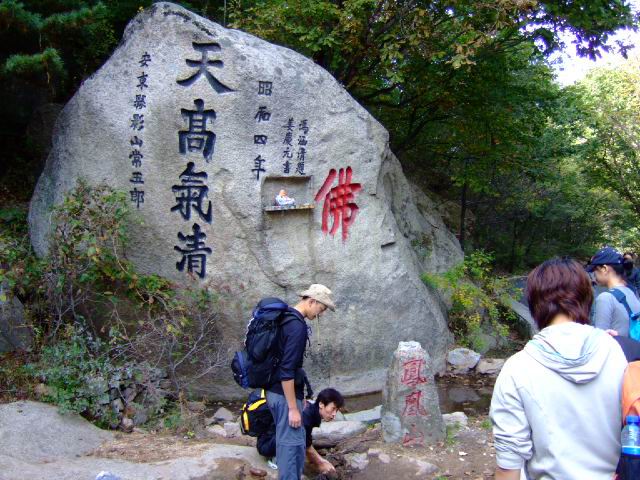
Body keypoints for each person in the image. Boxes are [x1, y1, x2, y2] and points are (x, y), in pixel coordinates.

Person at [490, 257, 627, 479]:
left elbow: (508, 466)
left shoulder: (517, 367)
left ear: (534, 304)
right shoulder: (620, 353)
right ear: (587, 297)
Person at [266, 284, 336, 480]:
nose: (321, 314)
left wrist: (299, 397)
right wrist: (292, 408)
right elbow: (286, 370)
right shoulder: (296, 326)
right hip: (283, 396)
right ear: (311, 301)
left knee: (295, 446)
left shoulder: (285, 318)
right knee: (290, 451)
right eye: (321, 308)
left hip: (277, 392)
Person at [257, 388, 344, 474]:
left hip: (270, 437)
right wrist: (321, 463)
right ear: (321, 404)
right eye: (333, 409)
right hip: (266, 444)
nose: (334, 414)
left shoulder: (309, 410)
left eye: (336, 410)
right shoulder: (306, 415)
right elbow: (307, 446)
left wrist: (320, 460)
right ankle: (277, 460)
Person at [587, 246, 640, 337]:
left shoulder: (605, 298)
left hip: (616, 346)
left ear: (604, 269)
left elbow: (600, 338)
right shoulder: (631, 292)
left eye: (594, 270)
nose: (593, 274)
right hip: (632, 345)